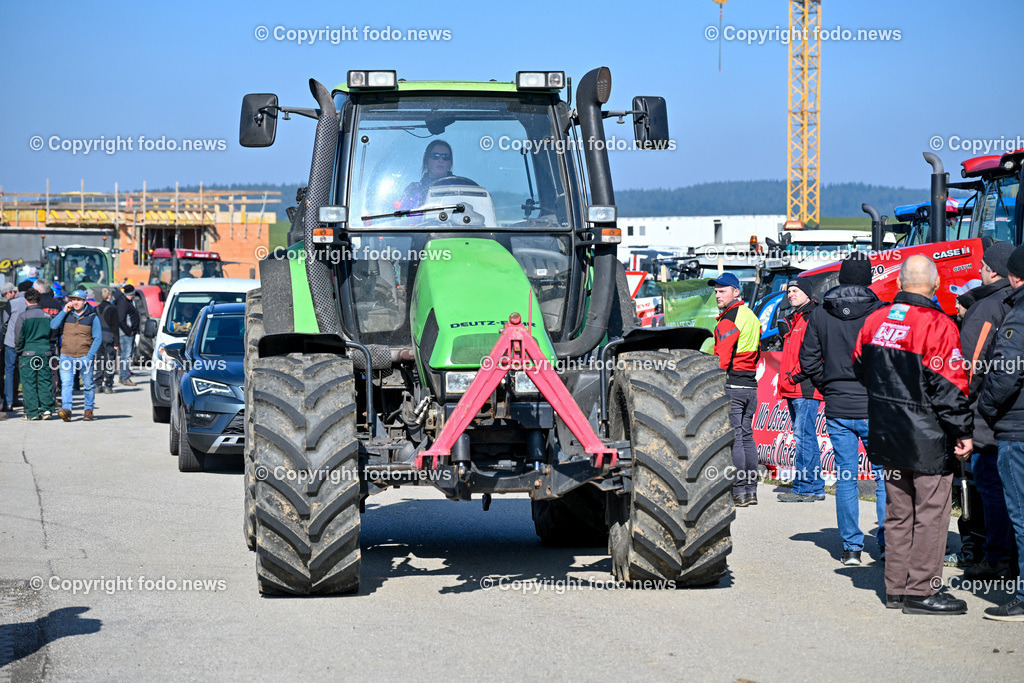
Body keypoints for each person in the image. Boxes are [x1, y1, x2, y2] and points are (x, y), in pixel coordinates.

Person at [854, 255, 972, 615]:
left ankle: (896, 589)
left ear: (901, 283)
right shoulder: (938, 325)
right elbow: (950, 386)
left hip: (887, 434)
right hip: (927, 440)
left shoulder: (875, 320)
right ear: (935, 284)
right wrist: (963, 430)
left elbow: (860, 367)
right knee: (932, 515)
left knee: (898, 512)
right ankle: (921, 591)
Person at [800, 254, 887, 566]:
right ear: (869, 280)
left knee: (846, 476)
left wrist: (829, 386)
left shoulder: (821, 314)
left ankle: (851, 547)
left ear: (841, 279)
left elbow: (807, 359)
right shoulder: (881, 311)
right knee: (884, 477)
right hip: (875, 406)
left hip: (838, 406)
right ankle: (888, 544)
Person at [958, 241, 1017, 579]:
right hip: (1010, 413)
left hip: (986, 416)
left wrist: (960, 412)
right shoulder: (1014, 303)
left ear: (994, 270)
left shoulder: (987, 306)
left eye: (982, 266)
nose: (979, 271)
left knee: (990, 484)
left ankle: (997, 557)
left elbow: (970, 367)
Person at [977, 244, 1024, 621]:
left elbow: (1003, 374)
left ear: (1013, 275)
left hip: (1017, 429)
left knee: (1021, 515)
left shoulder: (1018, 317)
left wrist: (987, 409)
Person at [710, 272, 762, 507]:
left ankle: (739, 491)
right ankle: (750, 491)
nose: (717, 294)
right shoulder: (751, 316)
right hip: (751, 386)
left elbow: (721, 358)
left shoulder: (729, 319)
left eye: (722, 290)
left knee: (736, 440)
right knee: (747, 437)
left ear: (736, 292)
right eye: (716, 290)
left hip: (732, 385)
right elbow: (758, 350)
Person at [777, 278, 826, 502]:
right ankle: (814, 486)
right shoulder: (795, 318)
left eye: (796, 291)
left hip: (804, 386)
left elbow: (813, 355)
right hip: (794, 385)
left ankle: (805, 486)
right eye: (789, 291)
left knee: (803, 436)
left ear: (807, 293)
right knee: (806, 436)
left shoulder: (811, 316)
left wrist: (794, 376)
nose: (791, 294)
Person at [50, 289, 101, 422]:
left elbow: (98, 338)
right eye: (73, 299)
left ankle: (88, 410)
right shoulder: (66, 314)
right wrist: (64, 311)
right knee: (67, 384)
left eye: (78, 300)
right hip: (66, 355)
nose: (75, 302)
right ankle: (67, 410)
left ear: (85, 301)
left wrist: (89, 357)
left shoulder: (92, 317)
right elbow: (53, 325)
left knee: (88, 384)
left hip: (85, 356)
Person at [14, 288, 56, 420]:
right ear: (39, 300)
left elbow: (19, 337)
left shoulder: (23, 317)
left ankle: (32, 412)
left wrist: (19, 350)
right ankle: (47, 410)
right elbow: (52, 335)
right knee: (45, 381)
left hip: (28, 352)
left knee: (29, 383)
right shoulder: (48, 317)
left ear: (26, 301)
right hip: (44, 352)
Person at [3, 280, 33, 414]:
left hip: (11, 342)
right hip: (27, 342)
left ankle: (9, 402)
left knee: (9, 371)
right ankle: (26, 401)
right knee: (25, 372)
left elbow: (4, 321)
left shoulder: (11, 303)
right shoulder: (32, 303)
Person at [401, 140, 455, 209]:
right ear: (426, 161)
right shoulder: (413, 190)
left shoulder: (462, 186)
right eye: (435, 156)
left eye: (445, 157)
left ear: (450, 164)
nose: (441, 160)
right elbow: (403, 216)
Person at [95, 287, 119, 393]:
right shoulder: (112, 309)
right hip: (109, 337)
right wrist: (117, 342)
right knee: (109, 361)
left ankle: (98, 384)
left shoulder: (96, 308)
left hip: (98, 337)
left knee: (99, 360)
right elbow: (115, 327)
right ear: (110, 296)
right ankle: (108, 385)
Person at [0, 282, 18, 416]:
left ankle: (7, 400)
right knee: (12, 370)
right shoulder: (10, 304)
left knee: (6, 372)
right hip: (9, 341)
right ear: (9, 293)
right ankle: (11, 399)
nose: (16, 294)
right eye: (14, 292)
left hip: (5, 341)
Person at [115, 285, 139, 386]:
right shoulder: (123, 303)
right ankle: (125, 377)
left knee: (126, 355)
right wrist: (129, 331)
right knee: (126, 356)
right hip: (126, 334)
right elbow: (121, 319)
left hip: (128, 333)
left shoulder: (126, 301)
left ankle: (123, 376)